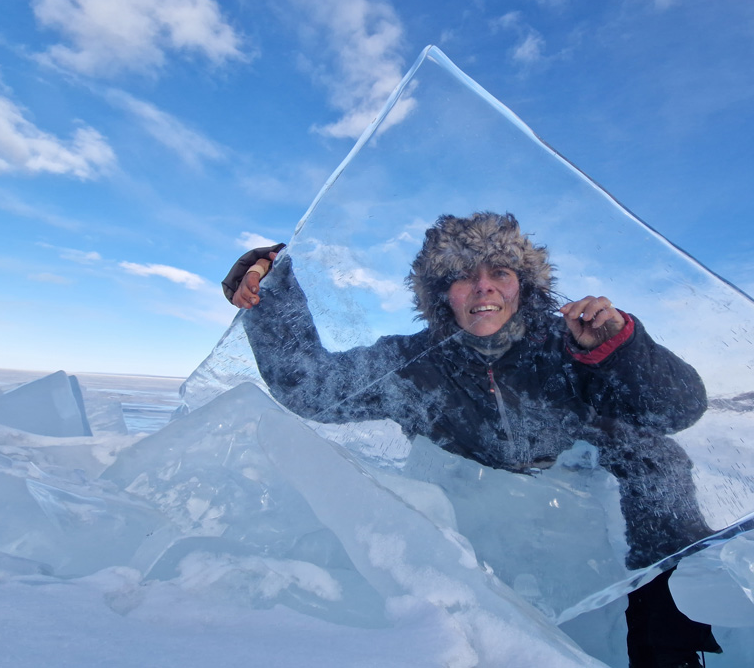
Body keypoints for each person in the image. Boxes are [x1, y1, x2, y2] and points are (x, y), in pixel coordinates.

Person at [224, 211, 722, 668]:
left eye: (500, 273)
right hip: (473, 535)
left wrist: (619, 347)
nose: (483, 288)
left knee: (656, 460)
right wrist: (272, 290)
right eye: (463, 276)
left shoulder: (574, 344)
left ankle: (671, 650)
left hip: (588, 506)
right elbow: (312, 390)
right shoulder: (415, 363)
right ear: (442, 292)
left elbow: (679, 410)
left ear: (523, 286)